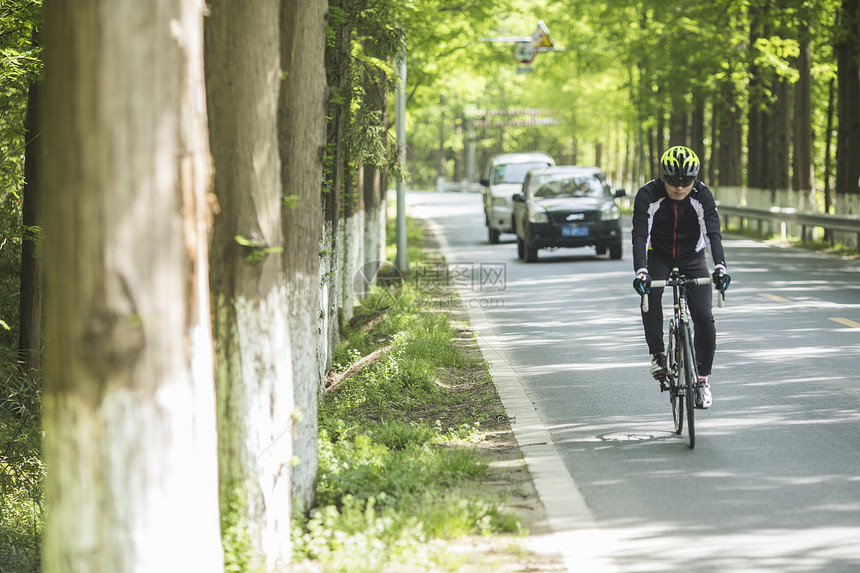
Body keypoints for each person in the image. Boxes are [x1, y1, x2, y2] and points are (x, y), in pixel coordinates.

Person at [631, 145, 730, 408]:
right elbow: (640, 234)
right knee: (650, 294)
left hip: (692, 255)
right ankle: (657, 355)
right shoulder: (647, 195)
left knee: (704, 316)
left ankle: (702, 380)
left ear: (694, 178)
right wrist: (641, 270)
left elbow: (713, 233)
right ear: (662, 176)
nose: (679, 187)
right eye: (672, 180)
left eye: (686, 181)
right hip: (658, 255)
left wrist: (720, 266)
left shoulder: (702, 195)